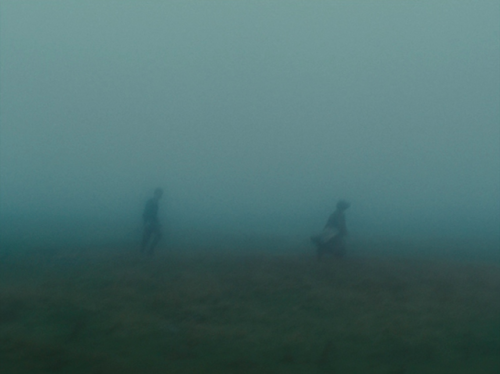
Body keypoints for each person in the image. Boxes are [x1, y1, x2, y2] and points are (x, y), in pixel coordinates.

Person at [141, 188, 163, 255]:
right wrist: (146, 222)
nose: (160, 195)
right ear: (155, 194)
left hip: (153, 222)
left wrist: (158, 222)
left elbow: (155, 214)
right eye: (158, 194)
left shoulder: (156, 202)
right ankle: (145, 251)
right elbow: (146, 213)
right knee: (149, 237)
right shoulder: (150, 202)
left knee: (152, 236)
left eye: (160, 194)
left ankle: (148, 251)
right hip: (149, 222)